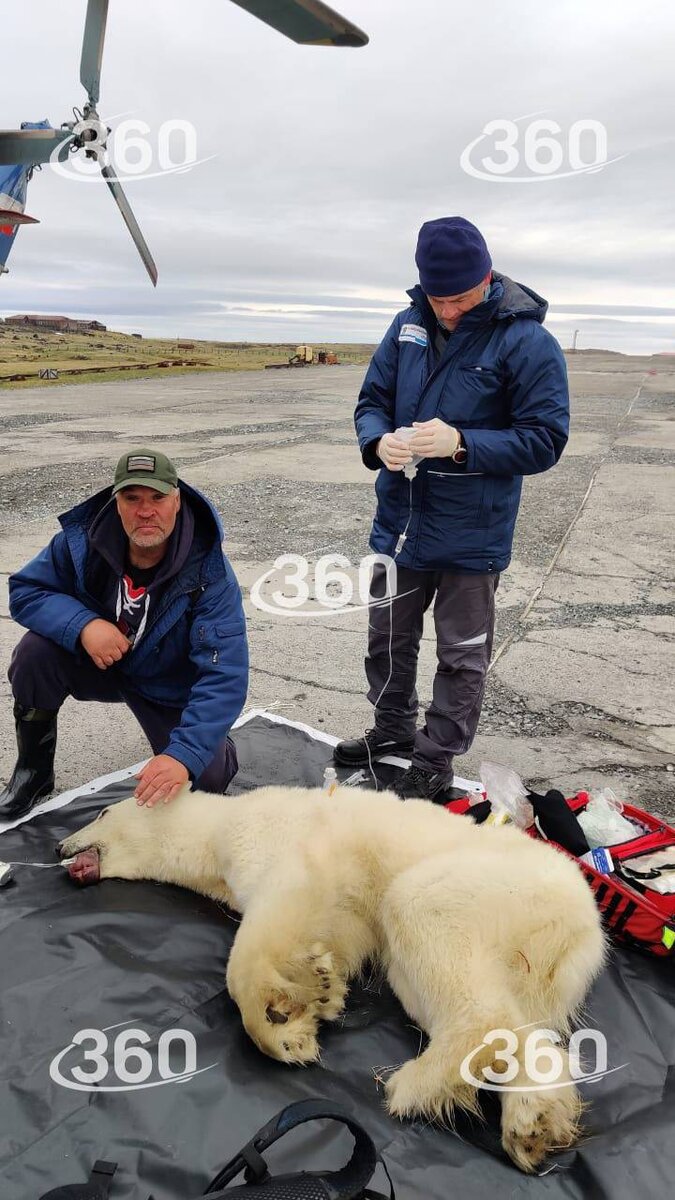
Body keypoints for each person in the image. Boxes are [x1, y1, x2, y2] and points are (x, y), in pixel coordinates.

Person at [334, 216, 570, 802]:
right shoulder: (407, 324)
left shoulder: (526, 341)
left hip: (472, 533)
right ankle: (390, 731)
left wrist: (463, 443)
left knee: (461, 657)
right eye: (437, 299)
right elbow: (372, 401)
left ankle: (434, 759)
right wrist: (376, 441)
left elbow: (545, 439)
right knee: (387, 639)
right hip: (401, 527)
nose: (448, 312)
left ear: (486, 280)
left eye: (460, 299)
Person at [0, 448, 249, 819]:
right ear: (115, 502)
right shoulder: (80, 542)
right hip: (103, 662)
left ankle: (212, 746)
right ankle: (33, 773)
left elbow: (224, 673)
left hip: (166, 686)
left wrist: (182, 756)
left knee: (204, 778)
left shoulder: (209, 572)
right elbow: (26, 591)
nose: (145, 511)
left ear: (177, 501)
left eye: (157, 498)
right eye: (132, 498)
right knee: (35, 653)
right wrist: (82, 625)